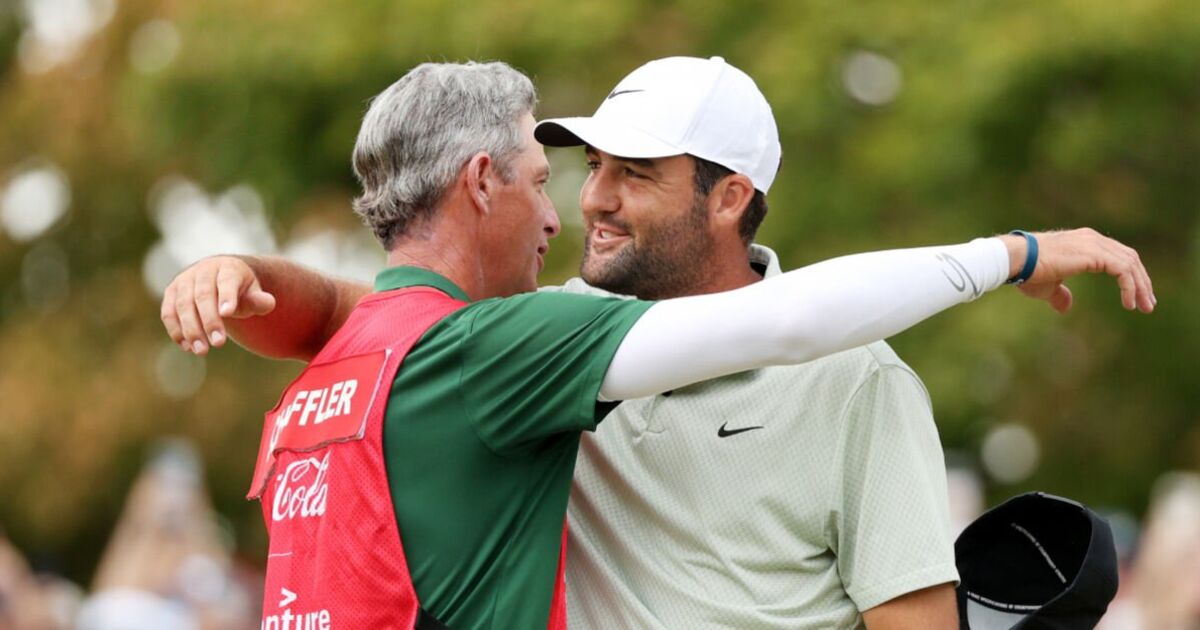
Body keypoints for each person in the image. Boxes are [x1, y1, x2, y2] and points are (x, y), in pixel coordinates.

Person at [160, 59, 1154, 629]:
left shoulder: (856, 380)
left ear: (731, 199)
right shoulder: (534, 338)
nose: (588, 199)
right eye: (582, 168)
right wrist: (241, 271)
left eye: (632, 172)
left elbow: (912, 618)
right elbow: (365, 314)